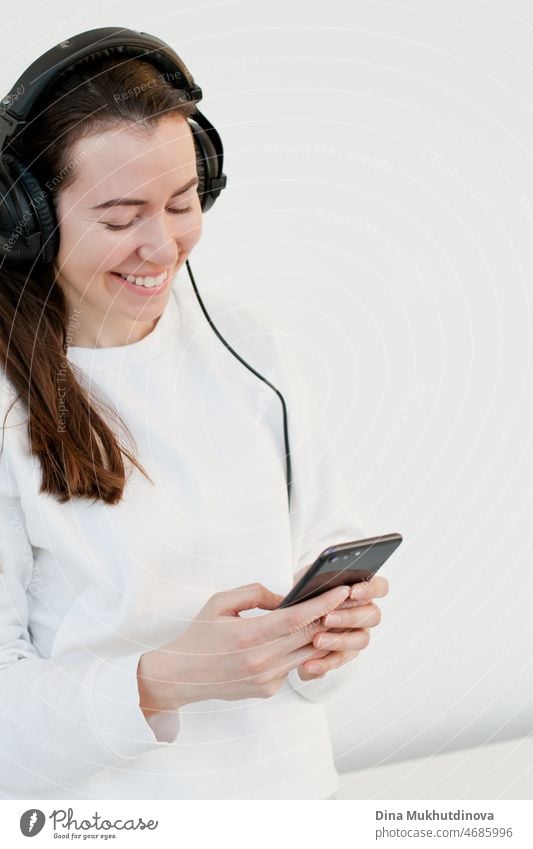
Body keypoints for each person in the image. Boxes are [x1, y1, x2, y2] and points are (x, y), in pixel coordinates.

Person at [0, 35, 389, 800]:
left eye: (182, 204)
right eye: (120, 216)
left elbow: (322, 548)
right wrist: (159, 681)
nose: (162, 244)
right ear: (26, 214)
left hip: (294, 799)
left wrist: (326, 645)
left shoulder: (248, 346)